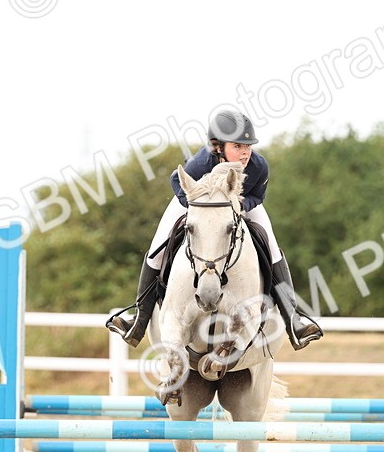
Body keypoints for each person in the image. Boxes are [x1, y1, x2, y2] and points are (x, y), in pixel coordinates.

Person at [107, 109, 324, 350]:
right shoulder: (202, 163)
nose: (244, 152)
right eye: (237, 146)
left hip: (239, 204)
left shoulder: (259, 165)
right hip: (198, 203)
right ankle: (138, 318)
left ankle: (293, 320)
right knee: (157, 247)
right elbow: (176, 180)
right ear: (218, 147)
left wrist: (241, 205)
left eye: (248, 146)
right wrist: (195, 205)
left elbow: (257, 196)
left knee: (272, 246)